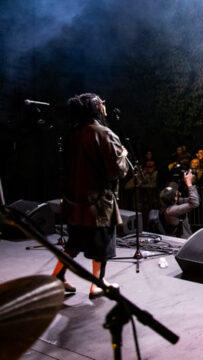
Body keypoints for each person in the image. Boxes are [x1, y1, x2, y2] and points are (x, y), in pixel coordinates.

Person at [51, 93, 130, 299]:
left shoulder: (73, 133)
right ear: (96, 107)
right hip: (98, 202)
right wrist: (123, 155)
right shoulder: (103, 133)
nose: (105, 106)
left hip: (75, 200)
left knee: (74, 243)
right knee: (102, 244)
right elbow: (116, 170)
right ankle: (97, 284)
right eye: (102, 103)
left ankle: (56, 278)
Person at [159, 172, 199, 238]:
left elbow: (195, 199)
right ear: (175, 197)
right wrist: (189, 183)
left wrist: (192, 183)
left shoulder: (167, 205)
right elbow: (195, 203)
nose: (179, 192)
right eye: (176, 193)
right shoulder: (172, 210)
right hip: (180, 239)